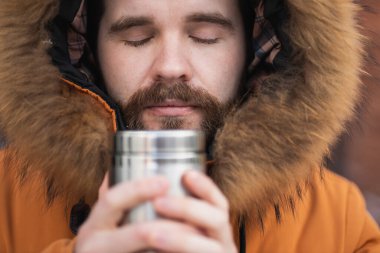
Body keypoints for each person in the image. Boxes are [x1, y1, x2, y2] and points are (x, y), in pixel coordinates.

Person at [0, 0, 379, 252]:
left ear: (255, 50)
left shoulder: (339, 221)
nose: (170, 65)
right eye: (137, 38)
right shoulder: (6, 199)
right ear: (85, 50)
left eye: (205, 37)